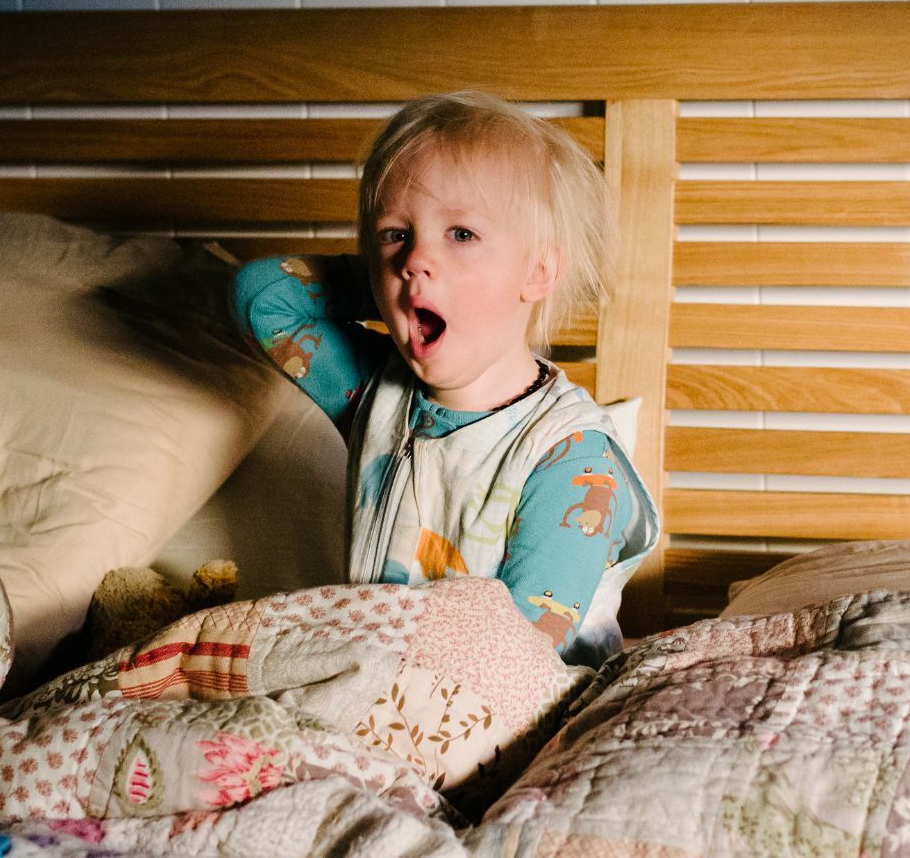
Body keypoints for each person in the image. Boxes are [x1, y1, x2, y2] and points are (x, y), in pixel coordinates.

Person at [232, 92, 656, 664]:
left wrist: (416, 276)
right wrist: (394, 283)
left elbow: (520, 655)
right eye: (394, 233)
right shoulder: (374, 396)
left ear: (538, 270)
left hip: (522, 707)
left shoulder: (572, 462)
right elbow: (261, 296)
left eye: (461, 234)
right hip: (384, 683)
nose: (415, 257)